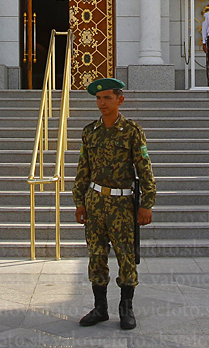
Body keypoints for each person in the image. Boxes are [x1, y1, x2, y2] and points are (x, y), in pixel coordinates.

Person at [73, 77, 156, 331]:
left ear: (120, 100)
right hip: (96, 201)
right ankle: (100, 308)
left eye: (107, 98)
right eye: (98, 98)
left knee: (126, 256)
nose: (102, 103)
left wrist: (147, 203)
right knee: (96, 256)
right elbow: (83, 169)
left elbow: (144, 168)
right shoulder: (90, 132)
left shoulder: (132, 131)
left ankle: (126, 308)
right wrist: (80, 201)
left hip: (122, 204)